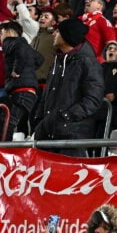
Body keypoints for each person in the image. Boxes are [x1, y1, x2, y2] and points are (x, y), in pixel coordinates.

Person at [34, 18, 105, 155]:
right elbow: (46, 95)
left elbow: (93, 100)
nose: (54, 34)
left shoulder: (87, 63)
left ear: (68, 36)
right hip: (48, 133)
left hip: (72, 138)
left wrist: (66, 117)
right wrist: (40, 121)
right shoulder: (58, 61)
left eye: (58, 31)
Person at [0, 20, 44, 140]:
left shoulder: (11, 42)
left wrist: (18, 70)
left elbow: (22, 52)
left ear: (9, 32)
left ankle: (3, 152)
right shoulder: (24, 44)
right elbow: (40, 59)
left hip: (22, 91)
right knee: (2, 117)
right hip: (27, 91)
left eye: (1, 33)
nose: (0, 36)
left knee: (8, 123)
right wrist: (28, 70)